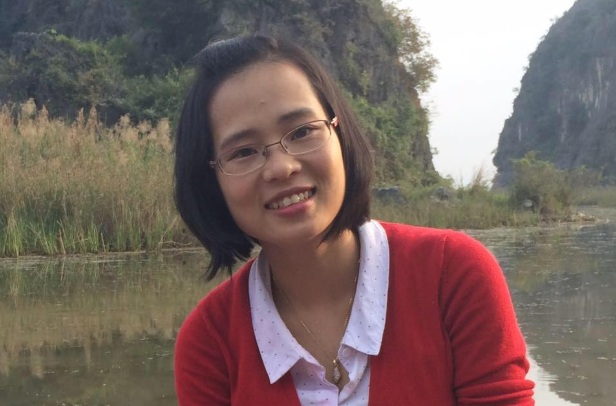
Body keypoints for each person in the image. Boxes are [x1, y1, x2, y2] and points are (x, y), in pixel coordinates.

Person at [173, 34, 535, 405]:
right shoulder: (209, 342)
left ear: (339, 132)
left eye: (302, 132)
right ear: (210, 182)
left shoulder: (452, 274)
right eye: (243, 152)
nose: (282, 168)